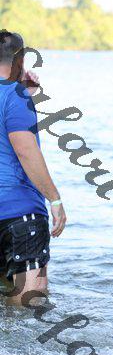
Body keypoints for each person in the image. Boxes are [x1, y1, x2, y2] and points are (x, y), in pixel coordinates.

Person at [0, 30, 66, 305]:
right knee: (29, 310)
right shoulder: (16, 97)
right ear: (21, 59)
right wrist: (55, 199)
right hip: (19, 213)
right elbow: (25, 150)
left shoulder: (17, 95)